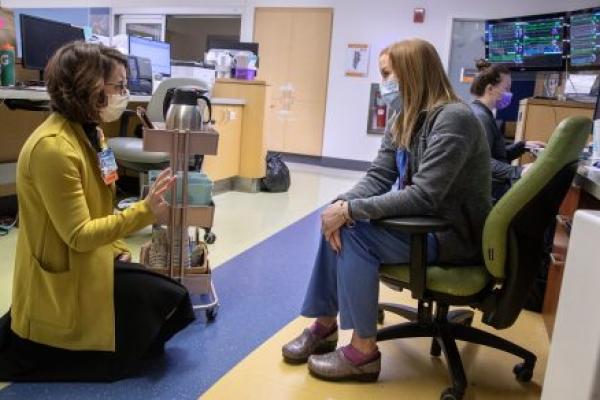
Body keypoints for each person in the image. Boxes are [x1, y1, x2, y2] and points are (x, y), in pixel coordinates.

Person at [281, 38, 491, 382]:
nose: (384, 84)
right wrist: (341, 205)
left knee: (353, 231)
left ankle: (362, 353)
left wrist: (352, 211)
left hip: (450, 234)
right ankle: (324, 324)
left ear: (411, 73)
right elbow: (380, 174)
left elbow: (425, 196)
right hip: (424, 225)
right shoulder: (403, 114)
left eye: (387, 73)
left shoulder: (455, 119)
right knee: (334, 216)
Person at [0, 42, 195, 382]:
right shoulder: (54, 149)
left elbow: (104, 201)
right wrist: (145, 212)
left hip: (94, 259)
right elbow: (78, 235)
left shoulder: (94, 135)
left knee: (172, 300)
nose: (125, 94)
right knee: (166, 303)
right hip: (67, 270)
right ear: (88, 87)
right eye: (118, 86)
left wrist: (118, 250)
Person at [469, 60, 545, 202]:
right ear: (490, 88)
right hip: (489, 192)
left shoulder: (482, 113)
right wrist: (520, 171)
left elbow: (496, 156)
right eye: (506, 88)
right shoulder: (481, 117)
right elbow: (481, 162)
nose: (509, 94)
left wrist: (522, 146)